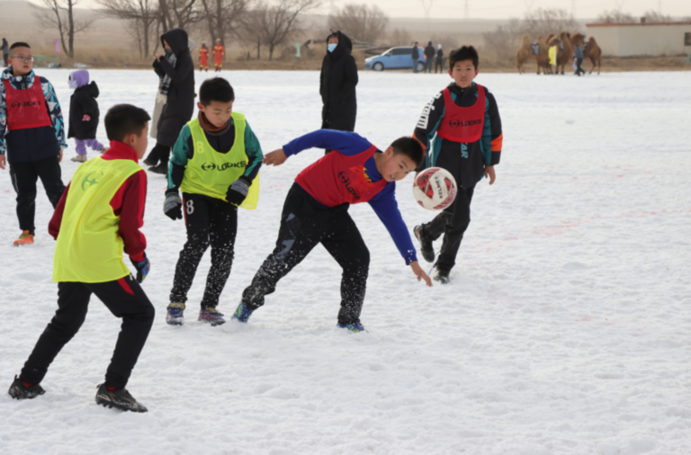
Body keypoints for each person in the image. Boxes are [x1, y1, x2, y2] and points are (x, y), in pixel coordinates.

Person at [7, 104, 155, 413]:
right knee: (140, 313)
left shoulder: (89, 166)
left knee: (66, 320)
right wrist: (139, 257)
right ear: (131, 138)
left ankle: (27, 381)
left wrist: (67, 241)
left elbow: (58, 216)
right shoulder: (132, 172)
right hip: (97, 259)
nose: (147, 141)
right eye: (145, 135)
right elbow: (130, 226)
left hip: (69, 253)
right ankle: (114, 388)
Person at [229, 130, 433, 333]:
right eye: (401, 166)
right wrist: (287, 151)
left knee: (358, 258)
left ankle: (348, 320)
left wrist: (412, 260)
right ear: (389, 152)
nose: (400, 175)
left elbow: (394, 222)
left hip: (334, 213)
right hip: (303, 202)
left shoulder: (383, 189)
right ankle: (246, 306)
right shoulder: (357, 146)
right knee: (283, 258)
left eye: (407, 173)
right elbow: (321, 137)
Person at [163, 77, 263, 326]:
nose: (223, 116)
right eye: (217, 111)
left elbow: (256, 156)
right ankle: (176, 302)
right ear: (201, 106)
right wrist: (172, 192)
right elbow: (176, 163)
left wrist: (243, 182)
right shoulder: (190, 131)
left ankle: (209, 306)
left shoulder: (240, 124)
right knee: (197, 243)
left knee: (225, 251)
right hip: (196, 192)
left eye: (228, 109)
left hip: (227, 195)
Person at [412, 46, 503, 284]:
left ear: (476, 71)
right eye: (458, 69)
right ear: (450, 72)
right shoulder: (441, 99)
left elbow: (492, 132)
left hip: (473, 163)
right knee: (460, 218)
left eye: (468, 68)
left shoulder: (485, 97)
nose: (463, 73)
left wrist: (490, 162)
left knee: (455, 216)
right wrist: (422, 170)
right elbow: (422, 133)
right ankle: (443, 267)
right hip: (445, 165)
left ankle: (426, 232)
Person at [0, 42, 66, 246]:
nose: (27, 61)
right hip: (18, 147)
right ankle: (27, 232)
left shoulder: (43, 83)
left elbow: (56, 113)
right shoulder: (2, 86)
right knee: (25, 192)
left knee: (56, 189)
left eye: (30, 57)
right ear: (10, 60)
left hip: (45, 143)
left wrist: (60, 143)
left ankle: (69, 227)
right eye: (22, 57)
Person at [144, 28, 195, 175]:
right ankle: (163, 164)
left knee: (174, 136)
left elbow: (177, 77)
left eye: (168, 44)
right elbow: (166, 76)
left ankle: (175, 166)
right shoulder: (174, 57)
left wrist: (164, 62)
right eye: (165, 44)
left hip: (181, 105)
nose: (166, 47)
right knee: (163, 132)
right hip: (172, 102)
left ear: (177, 43)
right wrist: (159, 65)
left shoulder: (185, 59)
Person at [319, 31, 358, 135]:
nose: (332, 44)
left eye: (335, 41)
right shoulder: (327, 59)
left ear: (342, 43)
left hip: (344, 107)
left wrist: (341, 97)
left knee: (341, 137)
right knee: (328, 136)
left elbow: (352, 79)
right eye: (330, 41)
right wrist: (323, 94)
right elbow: (323, 78)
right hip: (328, 106)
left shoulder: (347, 59)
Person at [67, 70, 105, 163]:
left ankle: (103, 149)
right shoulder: (79, 92)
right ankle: (82, 156)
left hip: (85, 121)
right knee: (78, 139)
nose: (69, 83)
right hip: (79, 122)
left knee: (88, 139)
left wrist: (87, 114)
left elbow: (88, 105)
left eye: (71, 80)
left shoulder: (83, 93)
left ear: (79, 80)